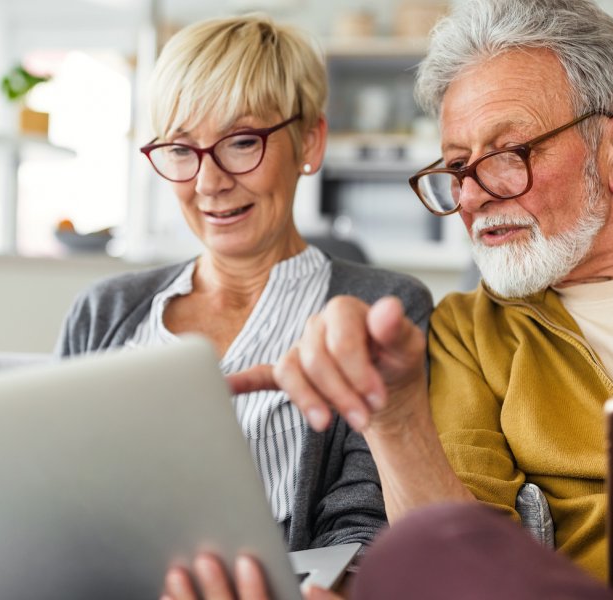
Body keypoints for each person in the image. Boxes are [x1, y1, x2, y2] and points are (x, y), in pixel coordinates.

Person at [164, 0, 613, 598]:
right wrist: (395, 418)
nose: (474, 195)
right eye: (457, 167)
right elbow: (455, 564)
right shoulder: (467, 334)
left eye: (508, 155)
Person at [55, 14, 433, 555]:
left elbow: (363, 534)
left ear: (309, 142)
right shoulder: (103, 311)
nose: (209, 182)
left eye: (240, 142)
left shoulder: (384, 311)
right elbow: (54, 495)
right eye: (181, 149)